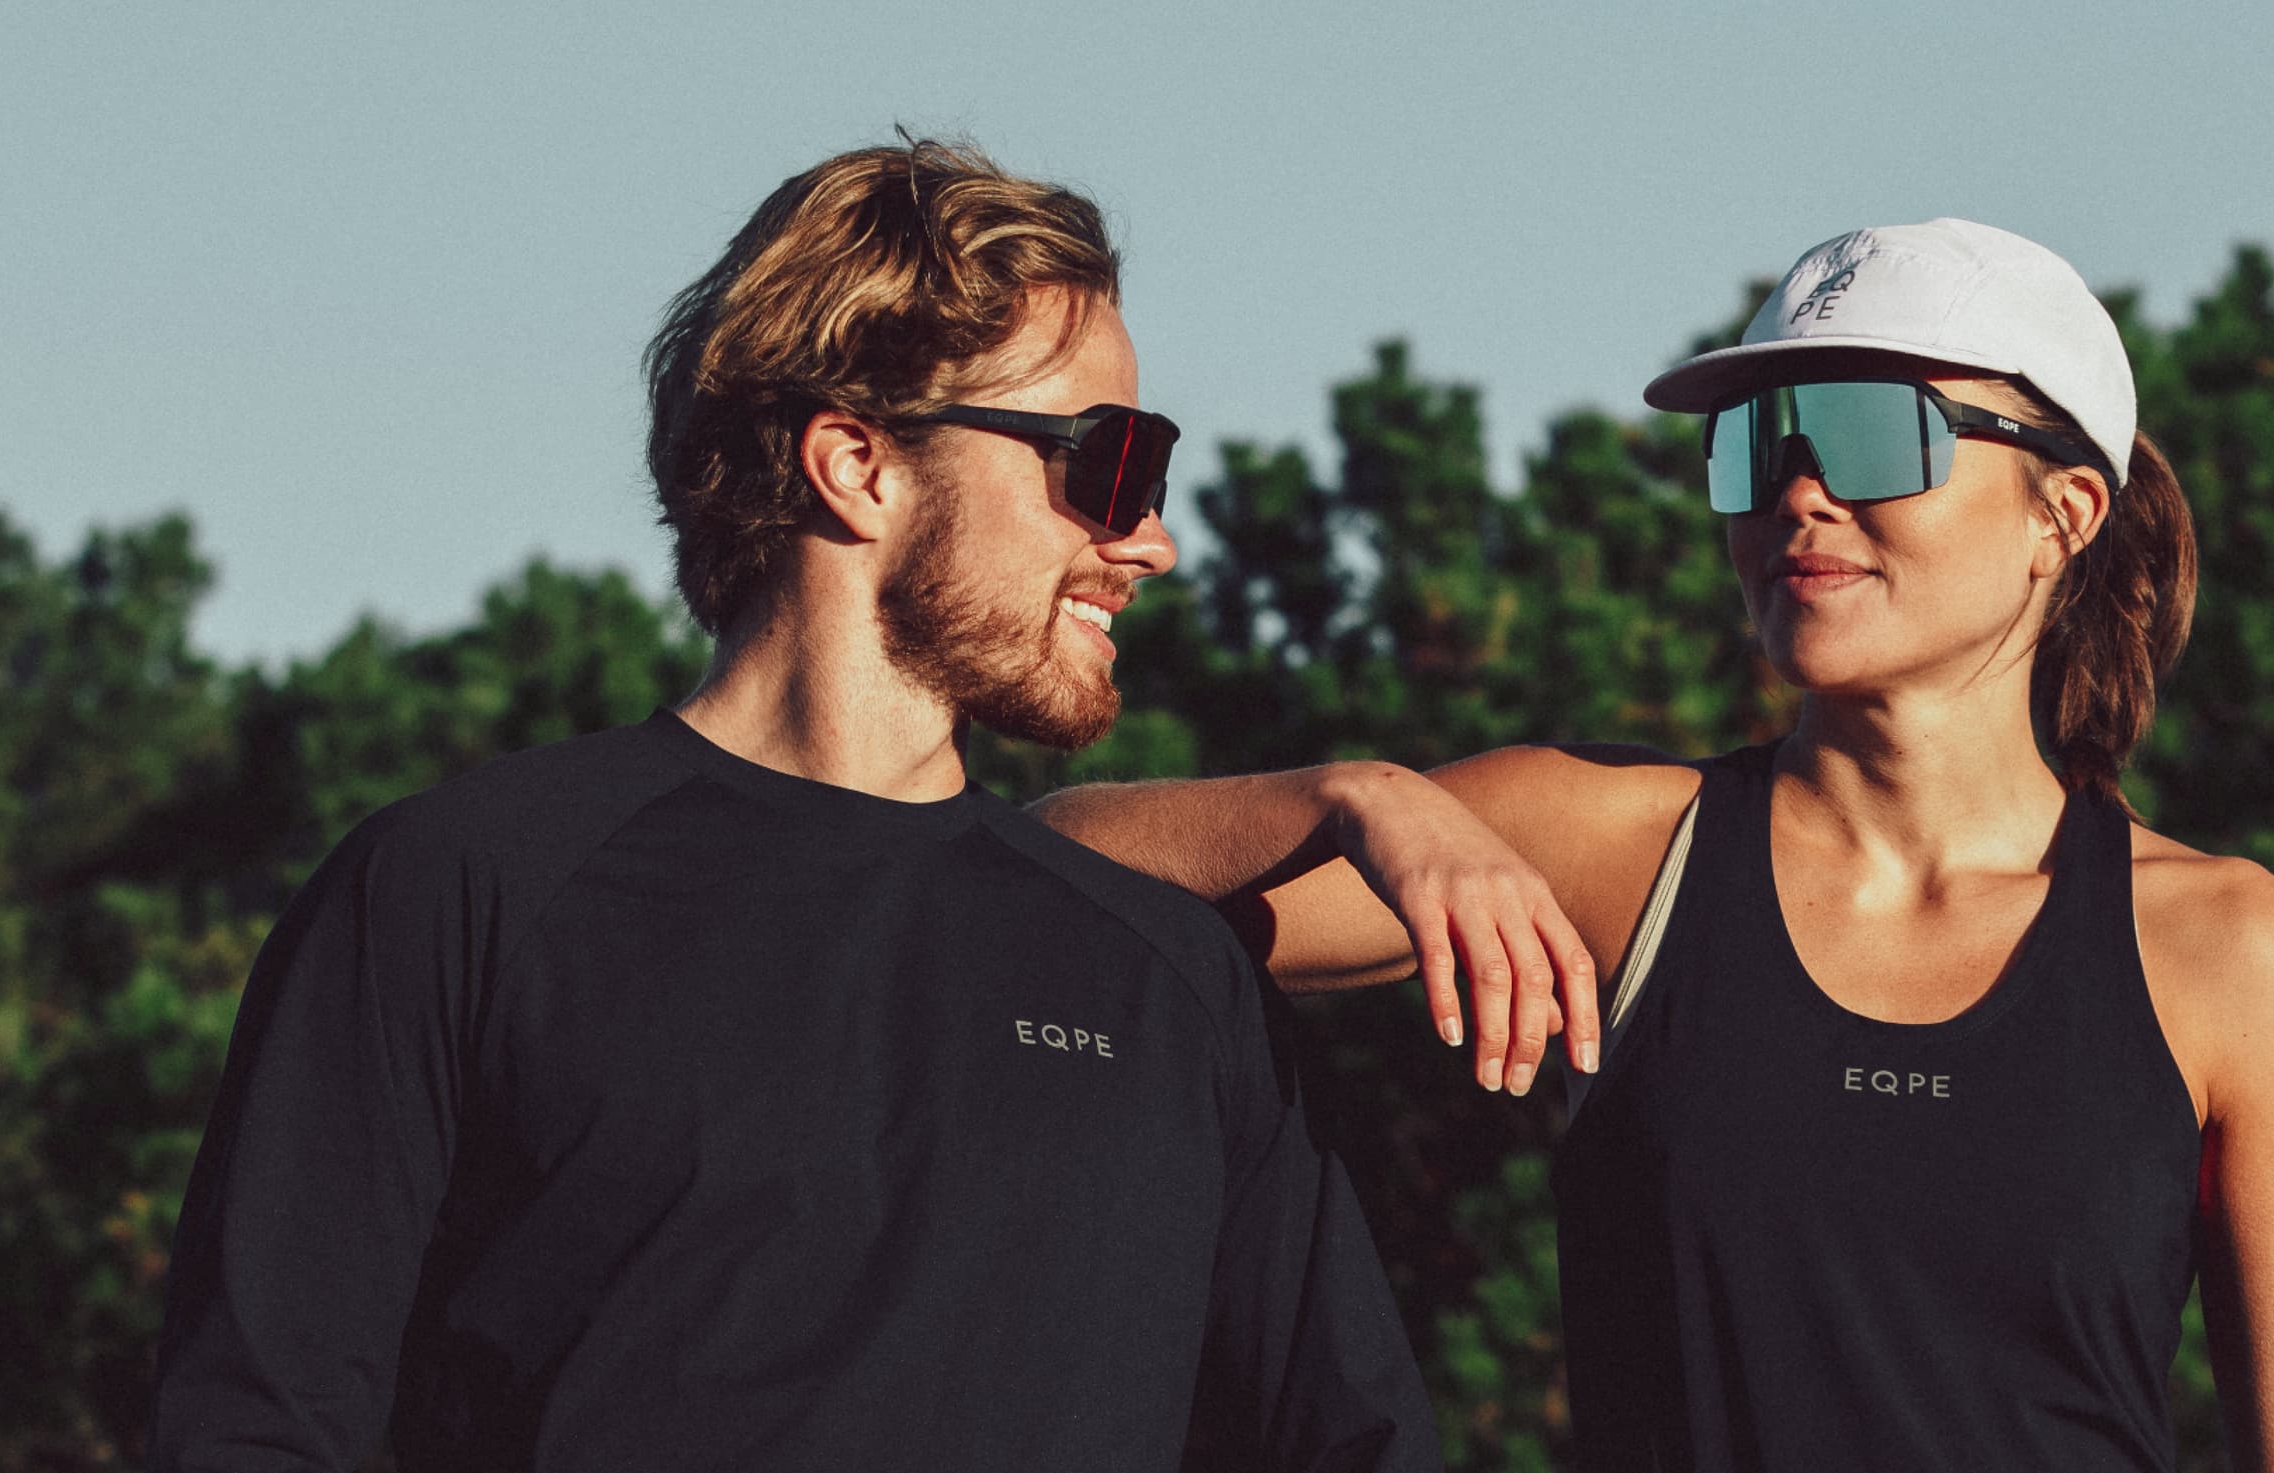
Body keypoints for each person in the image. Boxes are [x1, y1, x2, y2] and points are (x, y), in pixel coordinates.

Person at [151, 139, 1437, 1472]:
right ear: (857, 463)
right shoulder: (457, 890)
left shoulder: (1169, 979)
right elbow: (256, 1426)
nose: (1148, 538)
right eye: (1107, 462)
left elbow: (1355, 1441)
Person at [1036, 219, 2274, 1469]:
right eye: (1761, 442)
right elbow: (1048, 876)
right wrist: (1362, 798)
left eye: (1873, 435)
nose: (1797, 492)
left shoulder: (2232, 953)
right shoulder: (1609, 849)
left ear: (2062, 515)